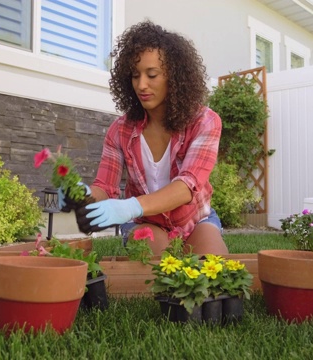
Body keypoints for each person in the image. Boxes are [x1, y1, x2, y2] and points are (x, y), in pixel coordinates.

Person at [62, 20, 228, 255]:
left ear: (175, 76)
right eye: (135, 75)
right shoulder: (119, 131)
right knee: (158, 272)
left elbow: (186, 187)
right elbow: (105, 188)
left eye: (152, 75)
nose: (142, 85)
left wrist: (130, 205)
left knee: (214, 272)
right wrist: (82, 196)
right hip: (145, 221)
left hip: (195, 218)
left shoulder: (205, 122)